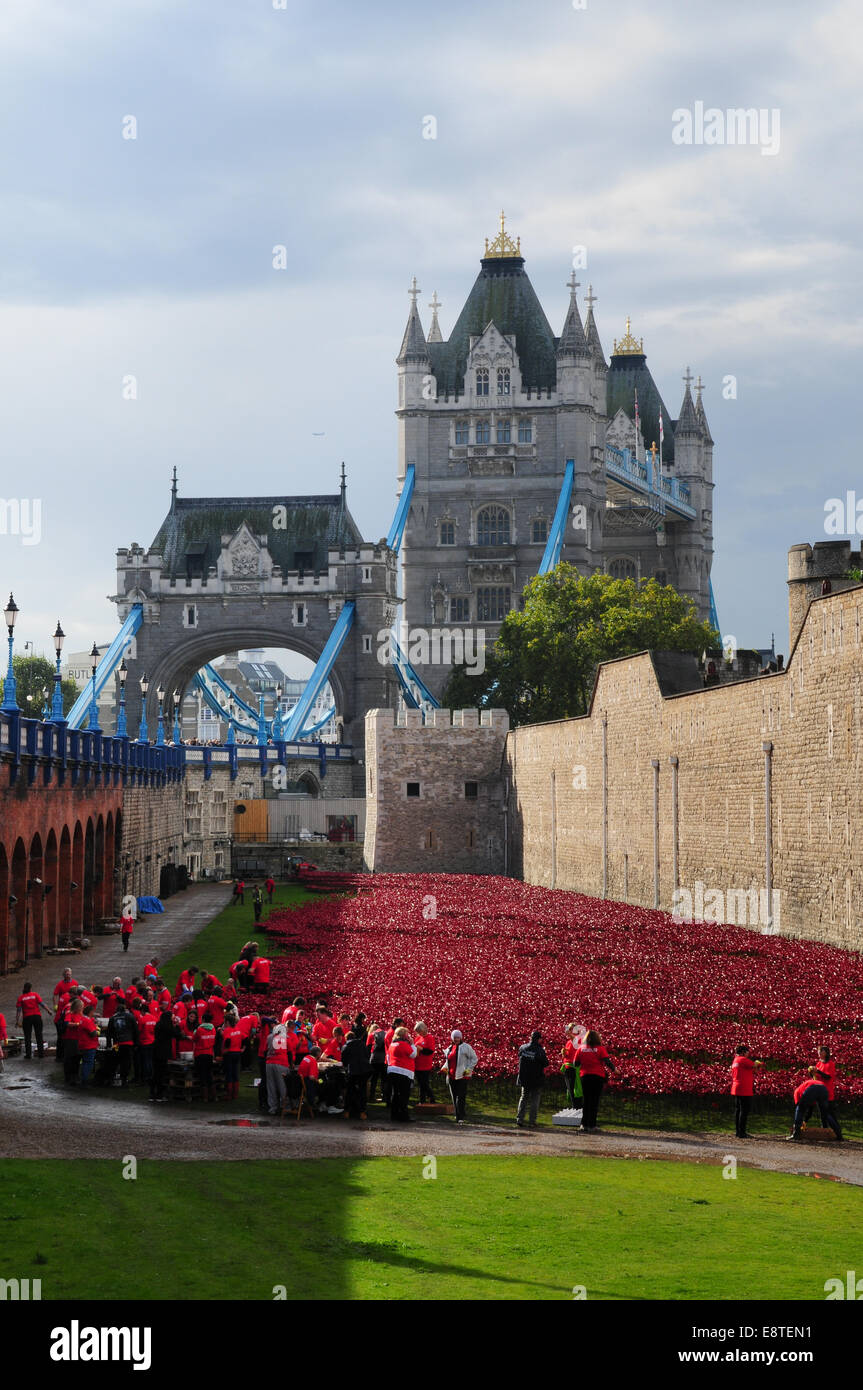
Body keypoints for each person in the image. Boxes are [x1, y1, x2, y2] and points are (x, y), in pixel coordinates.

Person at [574, 1029, 615, 1133]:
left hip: (585, 1076)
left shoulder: (581, 1049)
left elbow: (576, 1064)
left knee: (586, 1101)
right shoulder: (600, 1049)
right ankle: (592, 1125)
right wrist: (615, 1069)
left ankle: (584, 1124)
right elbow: (607, 1061)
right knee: (594, 1101)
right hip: (597, 1077)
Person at [786, 1075, 842, 1141]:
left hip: (812, 1088)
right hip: (823, 1088)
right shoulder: (805, 1089)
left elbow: (800, 1107)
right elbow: (810, 1109)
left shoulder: (796, 1092)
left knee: (799, 1109)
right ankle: (838, 1135)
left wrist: (801, 1121)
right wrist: (805, 1121)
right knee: (826, 1113)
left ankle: (796, 1134)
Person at [441, 1029, 477, 1125]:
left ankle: (460, 1117)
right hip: (451, 1075)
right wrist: (444, 1068)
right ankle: (458, 1115)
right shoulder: (449, 1048)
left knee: (460, 1097)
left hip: (462, 1076)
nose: (456, 1039)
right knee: (454, 1096)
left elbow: (474, 1059)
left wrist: (468, 1070)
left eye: (458, 1037)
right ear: (452, 1038)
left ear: (461, 1038)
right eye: (455, 1037)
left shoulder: (466, 1047)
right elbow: (448, 1061)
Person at [516, 1029, 549, 1128]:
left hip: (524, 1078)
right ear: (539, 1039)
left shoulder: (523, 1048)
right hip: (536, 1079)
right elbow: (546, 1063)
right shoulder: (540, 1050)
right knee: (535, 1100)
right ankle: (532, 1121)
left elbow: (519, 1057)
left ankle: (519, 1119)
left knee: (523, 1099)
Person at [730, 1045, 762, 1138]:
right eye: (748, 1052)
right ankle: (742, 1132)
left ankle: (738, 1131)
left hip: (736, 1087)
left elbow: (752, 1070)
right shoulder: (743, 1059)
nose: (749, 1053)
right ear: (743, 1052)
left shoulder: (736, 1060)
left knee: (738, 1110)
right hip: (744, 1089)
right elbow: (755, 1066)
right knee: (744, 1111)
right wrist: (758, 1063)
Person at [151, 1001, 180, 1101]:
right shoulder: (168, 1026)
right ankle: (159, 1094)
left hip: (155, 1050)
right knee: (161, 1073)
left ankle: (152, 1094)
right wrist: (176, 1025)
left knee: (155, 1072)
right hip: (163, 1052)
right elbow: (177, 1034)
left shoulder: (159, 1024)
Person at [811, 1045, 842, 1137]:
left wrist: (818, 1071)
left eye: (821, 1051)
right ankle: (824, 1132)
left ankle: (838, 1133)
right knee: (822, 1114)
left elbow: (828, 1077)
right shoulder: (818, 1063)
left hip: (827, 1092)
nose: (819, 1053)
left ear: (826, 1053)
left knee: (830, 1114)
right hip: (819, 1091)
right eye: (818, 1051)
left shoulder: (830, 1064)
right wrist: (811, 1072)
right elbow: (815, 1078)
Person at [387, 1027, 416, 1122]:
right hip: (403, 1072)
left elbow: (388, 1057)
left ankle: (394, 1115)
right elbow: (413, 1054)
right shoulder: (403, 1044)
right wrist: (412, 1044)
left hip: (392, 1070)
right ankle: (404, 1116)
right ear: (404, 1035)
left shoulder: (392, 1044)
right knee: (404, 1095)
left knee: (395, 1094)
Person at [15, 982, 52, 1058]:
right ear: (31, 989)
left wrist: (17, 1021)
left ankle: (28, 1055)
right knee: (39, 1035)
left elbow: (19, 1011)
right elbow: (42, 1004)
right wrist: (49, 1011)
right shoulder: (35, 995)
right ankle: (41, 1054)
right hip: (37, 1017)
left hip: (27, 1018)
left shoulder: (21, 998)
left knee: (27, 1036)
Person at [107, 1000, 139, 1086]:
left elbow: (108, 1033)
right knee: (126, 1062)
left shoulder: (112, 1018)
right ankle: (124, 1080)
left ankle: (112, 1079)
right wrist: (136, 1043)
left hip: (117, 1044)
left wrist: (109, 1045)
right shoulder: (130, 1016)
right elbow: (136, 1031)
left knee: (115, 1061)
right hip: (128, 1043)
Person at [341, 1029, 371, 1119]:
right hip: (364, 1070)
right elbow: (367, 1055)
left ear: (347, 1038)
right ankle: (362, 1112)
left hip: (353, 1071)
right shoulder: (362, 1044)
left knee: (350, 1090)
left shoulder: (346, 1046)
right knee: (362, 1091)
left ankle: (347, 1111)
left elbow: (344, 1061)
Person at [193, 1011, 218, 1102]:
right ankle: (214, 1096)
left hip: (200, 1054)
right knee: (209, 1074)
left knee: (203, 1075)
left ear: (203, 1019)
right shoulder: (213, 1029)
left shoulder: (199, 1029)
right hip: (209, 1054)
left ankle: (205, 1097)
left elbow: (194, 1039)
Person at [561, 1023, 585, 1111]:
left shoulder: (579, 1039)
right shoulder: (568, 1042)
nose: (569, 1031)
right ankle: (576, 1108)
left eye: (571, 1029)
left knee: (575, 1090)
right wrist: (564, 1053)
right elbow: (567, 1056)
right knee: (572, 1090)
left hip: (574, 1068)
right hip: (568, 1068)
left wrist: (568, 1033)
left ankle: (578, 1109)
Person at [413, 1021, 437, 1103]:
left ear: (423, 1029)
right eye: (417, 1031)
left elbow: (430, 1051)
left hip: (425, 1065)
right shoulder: (418, 1038)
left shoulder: (430, 1038)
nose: (418, 1033)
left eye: (419, 1031)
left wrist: (422, 1049)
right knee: (420, 1084)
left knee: (424, 1083)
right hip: (417, 1064)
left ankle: (431, 1097)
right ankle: (422, 1100)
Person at [77, 1006, 100, 1086]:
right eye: (93, 1012)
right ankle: (85, 1081)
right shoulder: (87, 1020)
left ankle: (83, 1079)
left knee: (85, 1063)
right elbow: (92, 1033)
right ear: (90, 1012)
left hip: (83, 1044)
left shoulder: (82, 1019)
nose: (93, 1014)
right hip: (89, 1045)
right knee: (88, 1063)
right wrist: (98, 1031)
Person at [367, 1023, 387, 1103]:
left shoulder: (371, 1035)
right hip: (383, 1058)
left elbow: (368, 1048)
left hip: (374, 1059)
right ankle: (385, 1097)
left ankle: (372, 1096)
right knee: (384, 1079)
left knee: (374, 1079)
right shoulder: (384, 1034)